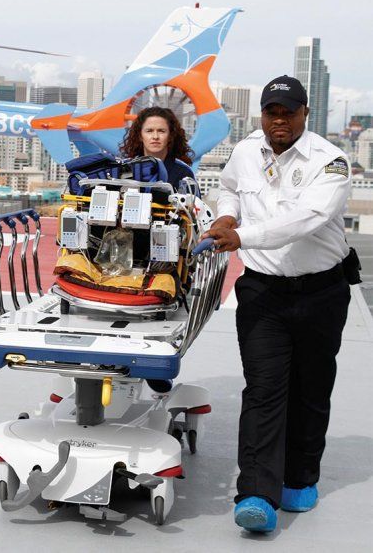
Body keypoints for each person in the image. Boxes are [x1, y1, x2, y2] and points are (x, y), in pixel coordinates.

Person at [201, 75, 352, 533]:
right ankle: (256, 495)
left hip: (322, 291)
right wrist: (227, 213)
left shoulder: (332, 161)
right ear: (262, 115)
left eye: (289, 111)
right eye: (272, 111)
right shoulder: (247, 150)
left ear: (306, 113)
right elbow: (228, 186)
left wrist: (240, 234)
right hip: (263, 291)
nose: (279, 119)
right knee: (264, 390)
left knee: (310, 388)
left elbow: (306, 219)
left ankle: (299, 479)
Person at [120, 106, 195, 192]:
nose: (155, 137)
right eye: (149, 131)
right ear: (140, 135)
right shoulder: (126, 169)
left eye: (161, 131)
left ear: (170, 136)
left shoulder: (184, 173)